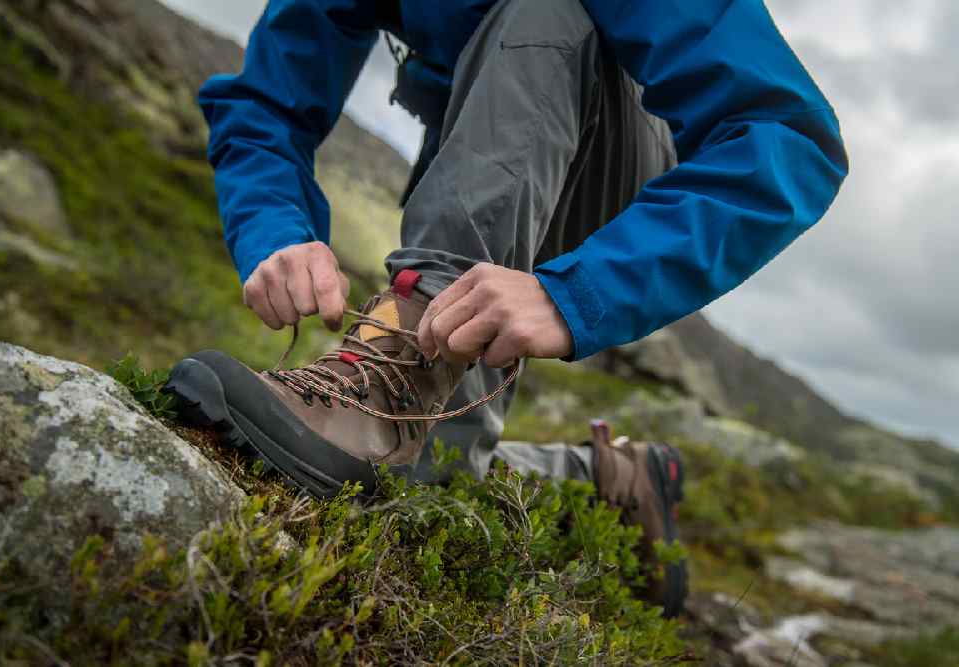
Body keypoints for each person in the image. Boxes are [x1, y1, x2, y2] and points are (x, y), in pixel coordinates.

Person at [166, 0, 848, 618]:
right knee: (429, 486)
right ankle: (606, 483)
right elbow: (265, 104)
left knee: (544, 10)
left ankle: (398, 366)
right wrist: (276, 228)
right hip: (482, 160)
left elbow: (786, 135)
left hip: (619, 175)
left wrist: (580, 292)